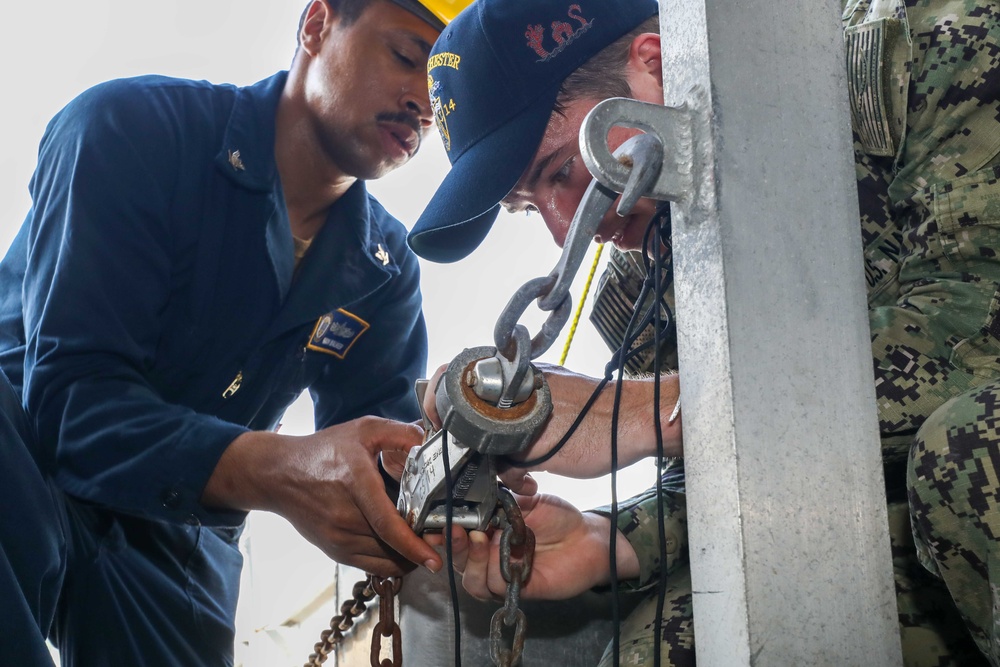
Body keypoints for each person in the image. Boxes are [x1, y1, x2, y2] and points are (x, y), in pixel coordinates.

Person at [406, 0, 1000, 665]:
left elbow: (974, 323)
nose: (561, 226)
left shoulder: (936, 50)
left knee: (967, 453)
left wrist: (659, 408)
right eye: (526, 207)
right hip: (922, 541)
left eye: (560, 173)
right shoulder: (654, 285)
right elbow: (745, 480)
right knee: (668, 646)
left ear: (654, 69)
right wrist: (614, 539)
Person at [0, 0, 474, 664]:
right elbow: (71, 404)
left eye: (444, 87)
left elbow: (382, 454)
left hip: (182, 522)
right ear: (315, 24)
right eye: (407, 56)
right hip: (23, 446)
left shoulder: (381, 271)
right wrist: (279, 470)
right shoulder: (128, 130)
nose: (424, 102)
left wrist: (467, 482)